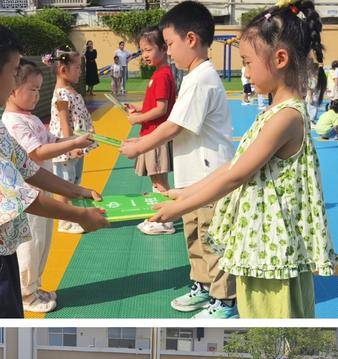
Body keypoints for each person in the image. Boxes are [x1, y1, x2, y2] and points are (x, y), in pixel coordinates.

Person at [147, 0, 335, 319]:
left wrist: (178, 208)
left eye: (247, 62)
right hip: (260, 247)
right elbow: (233, 167)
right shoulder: (274, 113)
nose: (244, 72)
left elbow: (236, 175)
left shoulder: (285, 117)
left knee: (270, 321)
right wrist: (186, 193)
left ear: (279, 59)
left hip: (273, 253)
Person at [0, 19, 108, 319]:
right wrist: (81, 215)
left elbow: (29, 168)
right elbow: (24, 199)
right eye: (14, 71)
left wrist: (77, 191)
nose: (15, 80)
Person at [122, 1, 237, 319]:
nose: (168, 51)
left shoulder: (201, 78)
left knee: (213, 240)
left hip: (209, 178)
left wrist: (139, 146)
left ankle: (225, 301)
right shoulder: (192, 77)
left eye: (170, 44)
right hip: (191, 178)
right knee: (194, 236)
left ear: (191, 39)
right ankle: (203, 285)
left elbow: (174, 126)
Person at [2, 58, 93, 313]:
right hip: (27, 197)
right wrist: (72, 143)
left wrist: (73, 142)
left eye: (39, 90)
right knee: (29, 246)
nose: (37, 95)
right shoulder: (12, 122)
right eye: (32, 89)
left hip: (41, 192)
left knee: (42, 243)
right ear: (12, 90)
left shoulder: (29, 118)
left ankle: (35, 286)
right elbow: (38, 152)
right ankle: (25, 294)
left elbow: (51, 141)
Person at [126, 27, 178, 236]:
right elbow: (154, 104)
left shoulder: (162, 75)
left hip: (155, 136)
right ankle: (162, 216)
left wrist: (137, 119)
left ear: (163, 48)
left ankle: (165, 220)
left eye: (148, 50)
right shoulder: (159, 74)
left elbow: (161, 109)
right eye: (142, 51)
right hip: (153, 134)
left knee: (159, 181)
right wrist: (139, 108)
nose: (144, 55)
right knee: (158, 180)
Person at [46, 49, 100, 236]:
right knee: (63, 184)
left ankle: (74, 215)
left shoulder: (70, 91)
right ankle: (64, 221)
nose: (80, 71)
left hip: (76, 145)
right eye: (77, 68)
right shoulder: (61, 94)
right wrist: (71, 146)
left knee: (74, 181)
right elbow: (64, 122)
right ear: (63, 70)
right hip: (67, 147)